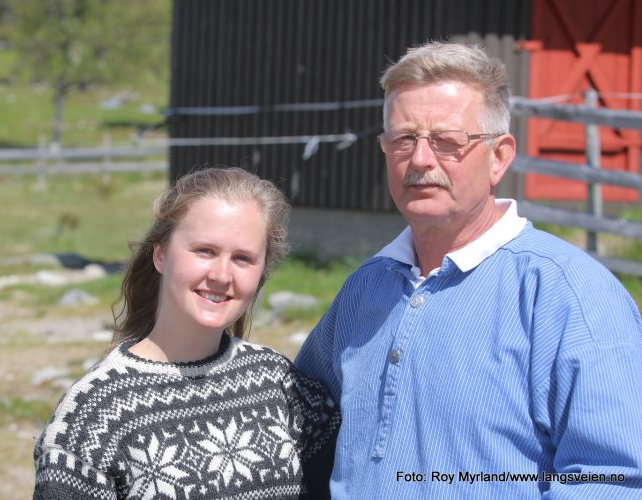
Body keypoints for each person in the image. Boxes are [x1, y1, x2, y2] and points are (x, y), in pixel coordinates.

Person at [295, 41, 642, 498]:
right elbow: (302, 421)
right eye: (404, 139)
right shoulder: (367, 287)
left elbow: (612, 477)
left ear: (499, 156)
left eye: (447, 141)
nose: (420, 159)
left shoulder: (566, 294)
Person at [33, 167, 340, 499]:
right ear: (160, 255)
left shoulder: (282, 385)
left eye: (242, 258)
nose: (222, 275)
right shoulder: (93, 416)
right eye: (205, 251)